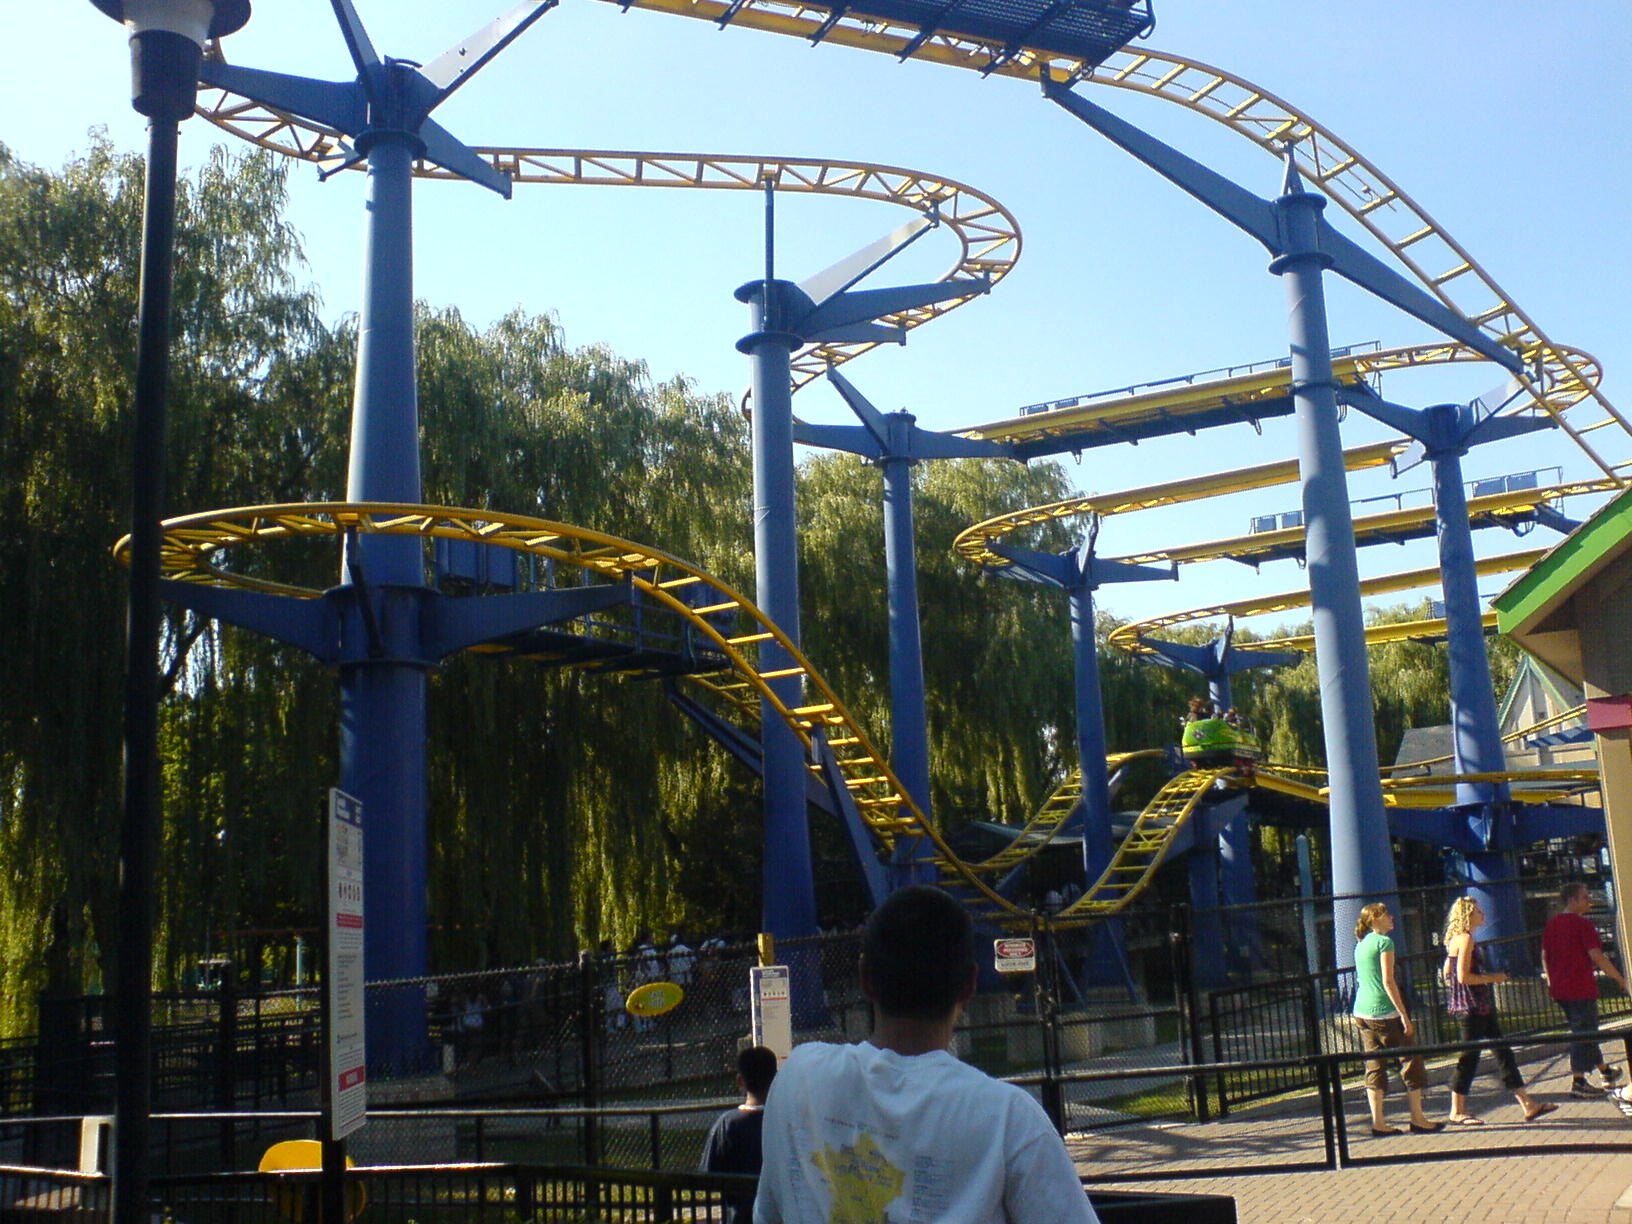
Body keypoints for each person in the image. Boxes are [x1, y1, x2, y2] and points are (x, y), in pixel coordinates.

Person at [753, 885, 1098, 1224]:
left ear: (865, 980)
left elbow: (768, 1211)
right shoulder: (1009, 1119)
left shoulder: (798, 1077)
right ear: (969, 985)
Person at [1441, 895, 1557, 1124]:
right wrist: (1495, 977)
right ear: (1468, 915)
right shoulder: (1464, 939)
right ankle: (1456, 1110)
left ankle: (1528, 1104)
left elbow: (1448, 971)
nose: (1482, 914)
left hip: (1479, 1006)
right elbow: (1463, 976)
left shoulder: (1456, 939)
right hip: (1471, 1007)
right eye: (1478, 911)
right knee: (1469, 1058)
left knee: (1503, 1053)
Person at [1350, 902, 1441, 1136]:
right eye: (1387, 915)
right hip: (1384, 1011)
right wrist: (1404, 1015)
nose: (1392, 918)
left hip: (1361, 1010)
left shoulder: (1360, 944)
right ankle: (1418, 1118)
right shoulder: (1384, 942)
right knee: (1410, 1059)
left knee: (1375, 1065)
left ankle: (1378, 1122)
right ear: (1377, 918)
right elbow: (1388, 981)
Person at [1542, 882, 1627, 1097]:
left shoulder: (1552, 924)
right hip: (1580, 987)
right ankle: (1578, 1081)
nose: (1589, 901)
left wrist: (1551, 980)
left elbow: (1544, 956)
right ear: (1572, 900)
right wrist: (1619, 978)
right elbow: (1596, 955)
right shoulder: (1583, 925)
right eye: (1584, 897)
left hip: (1561, 988)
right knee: (1584, 1032)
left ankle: (1604, 1070)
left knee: (1584, 1029)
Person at [700, 1046, 779, 1224]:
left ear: (740, 1081)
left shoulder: (727, 1124)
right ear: (776, 1079)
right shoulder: (787, 1121)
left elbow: (708, 1175)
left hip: (739, 1216)